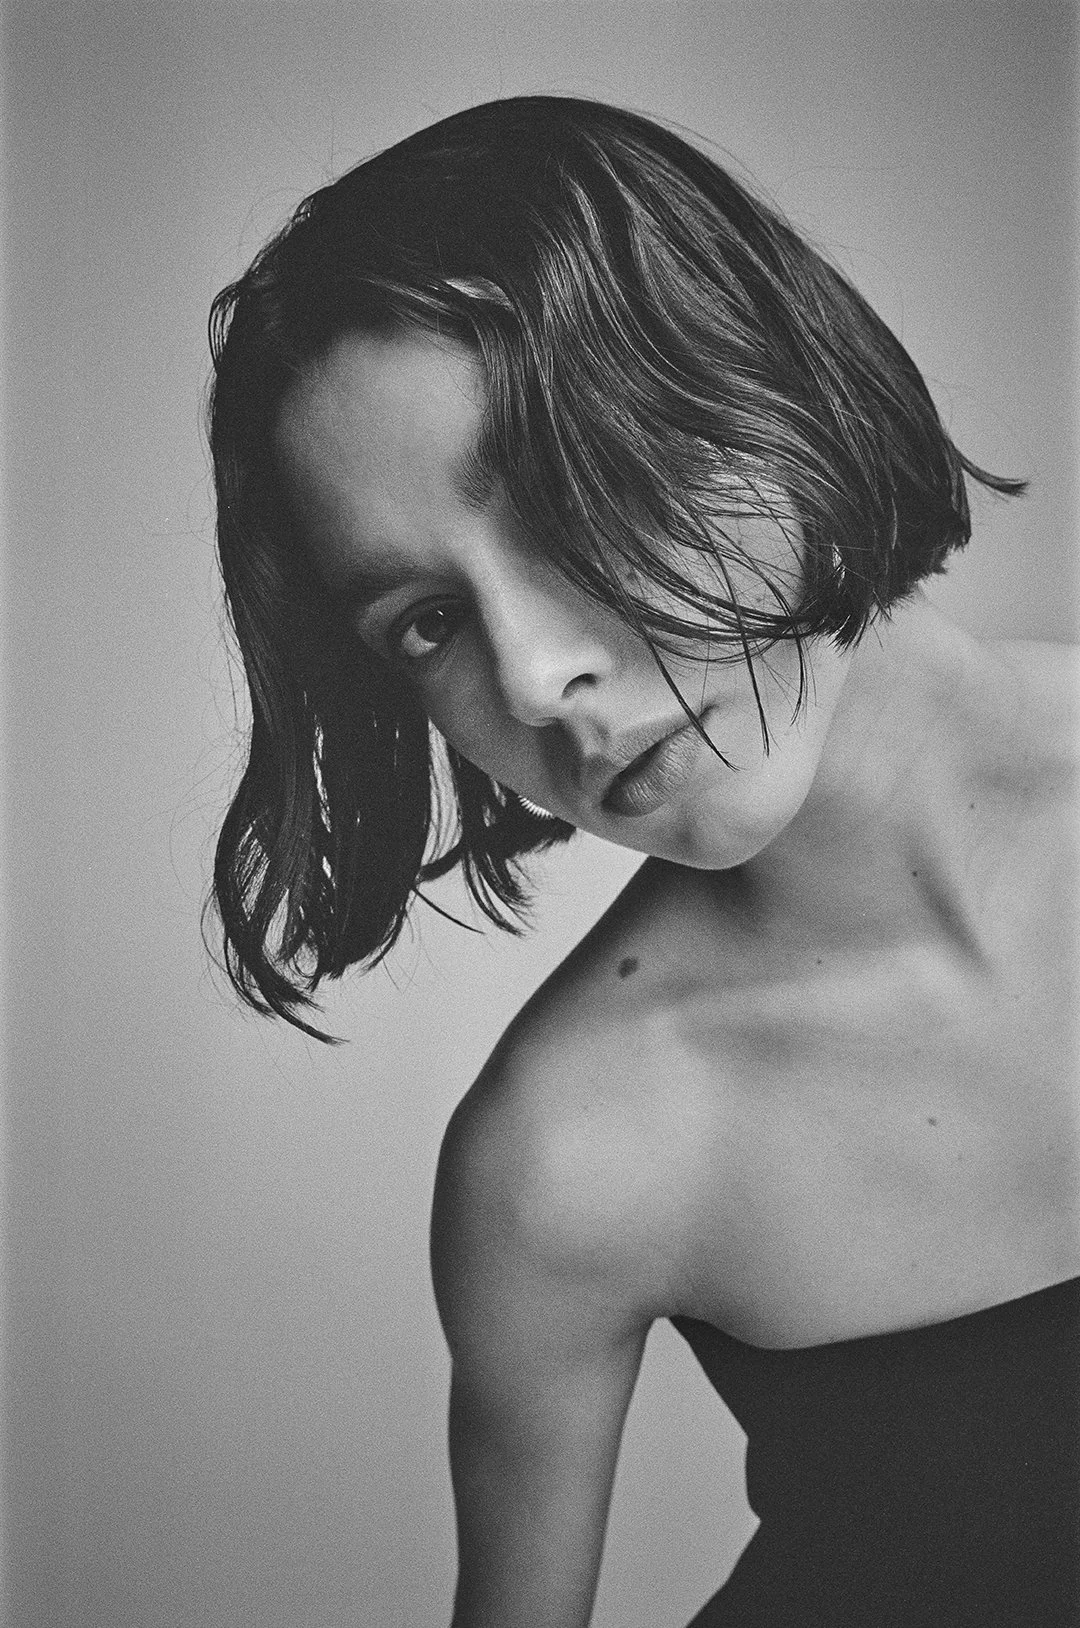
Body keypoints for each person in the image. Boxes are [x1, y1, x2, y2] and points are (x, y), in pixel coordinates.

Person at [206, 96, 1079, 1626]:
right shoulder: (568, 1159)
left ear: (764, 378)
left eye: (558, 496)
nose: (535, 679)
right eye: (426, 623)